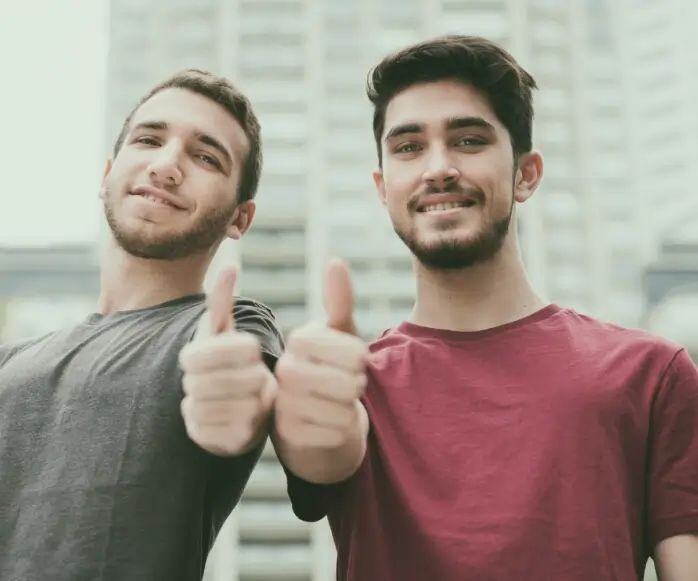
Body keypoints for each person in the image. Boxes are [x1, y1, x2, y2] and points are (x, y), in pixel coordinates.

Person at [273, 36, 698, 580]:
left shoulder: (650, 375)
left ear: (526, 174)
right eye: (408, 148)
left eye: (469, 140)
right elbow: (320, 454)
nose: (438, 168)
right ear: (383, 187)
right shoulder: (346, 388)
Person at [0, 70, 283, 580]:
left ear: (240, 218)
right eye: (150, 139)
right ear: (107, 173)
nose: (166, 165)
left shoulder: (226, 328)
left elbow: (239, 388)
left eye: (205, 157)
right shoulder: (9, 361)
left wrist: (234, 401)